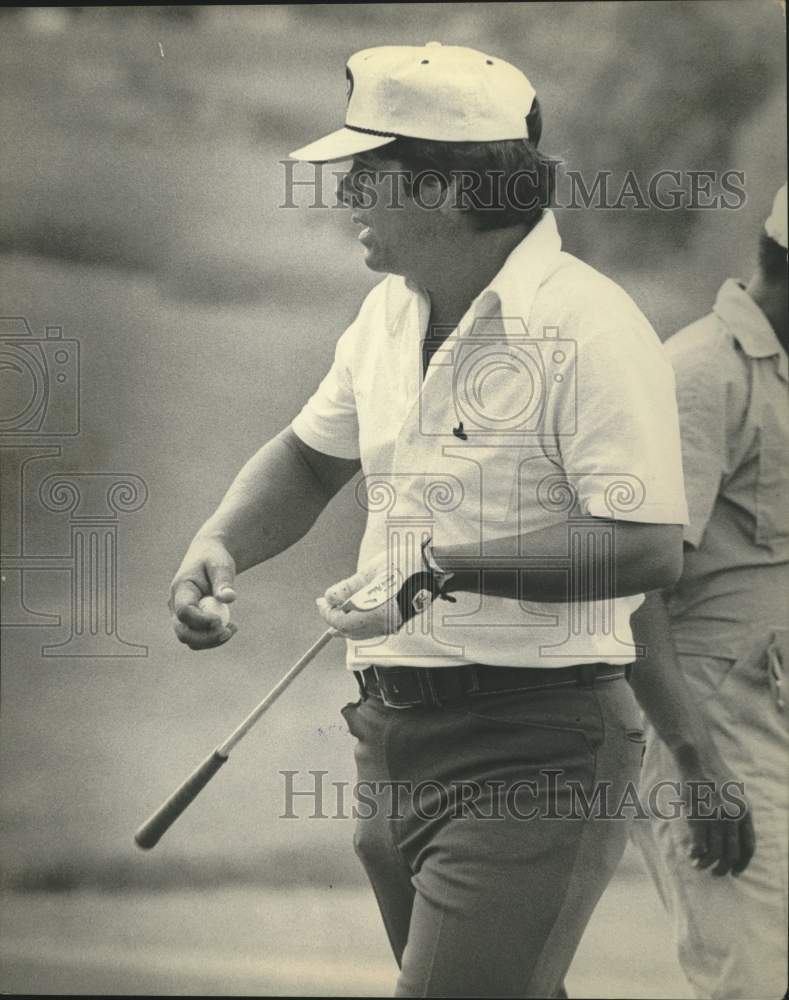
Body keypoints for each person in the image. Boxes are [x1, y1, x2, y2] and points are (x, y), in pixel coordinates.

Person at [171, 44, 691, 997]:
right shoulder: (385, 315)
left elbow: (645, 544)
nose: (346, 195)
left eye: (369, 173)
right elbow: (306, 458)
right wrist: (220, 541)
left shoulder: (588, 326)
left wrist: (440, 567)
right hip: (389, 741)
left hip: (536, 745)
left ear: (452, 189)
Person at [630, 183, 789, 1000]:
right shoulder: (698, 374)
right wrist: (699, 769)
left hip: (773, 716)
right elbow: (627, 589)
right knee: (753, 982)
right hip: (714, 731)